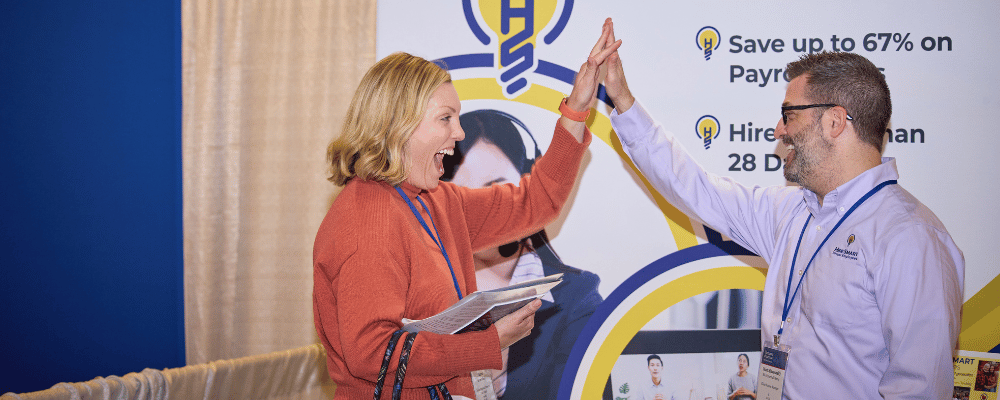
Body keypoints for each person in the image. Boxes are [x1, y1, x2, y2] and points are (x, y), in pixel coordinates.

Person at [596, 18, 964, 399]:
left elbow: (919, 391)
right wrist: (623, 100)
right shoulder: (792, 211)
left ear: (834, 121)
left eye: (789, 115)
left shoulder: (911, 238)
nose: (778, 130)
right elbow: (696, 187)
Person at [312, 25, 621, 399]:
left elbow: (535, 202)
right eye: (446, 118)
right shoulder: (368, 218)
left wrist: (576, 109)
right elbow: (373, 354)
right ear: (398, 126)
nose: (459, 133)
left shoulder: (436, 200)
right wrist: (488, 343)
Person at [442, 109, 603, 399]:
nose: (488, 210)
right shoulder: (425, 290)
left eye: (498, 192)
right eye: (466, 198)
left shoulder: (577, 300)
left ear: (530, 190)